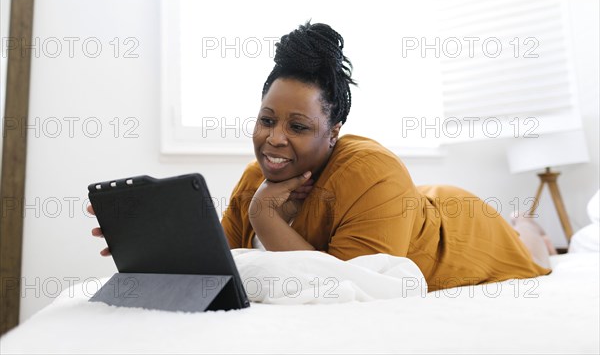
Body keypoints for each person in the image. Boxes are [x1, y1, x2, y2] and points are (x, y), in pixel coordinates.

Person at [91, 21, 551, 291]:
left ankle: (525, 224)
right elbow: (225, 262)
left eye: (298, 127)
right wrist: (158, 251)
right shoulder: (257, 177)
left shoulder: (371, 170)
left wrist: (266, 219)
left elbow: (347, 288)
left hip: (463, 229)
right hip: (408, 207)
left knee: (534, 249)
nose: (274, 139)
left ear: (333, 133)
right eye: (267, 119)